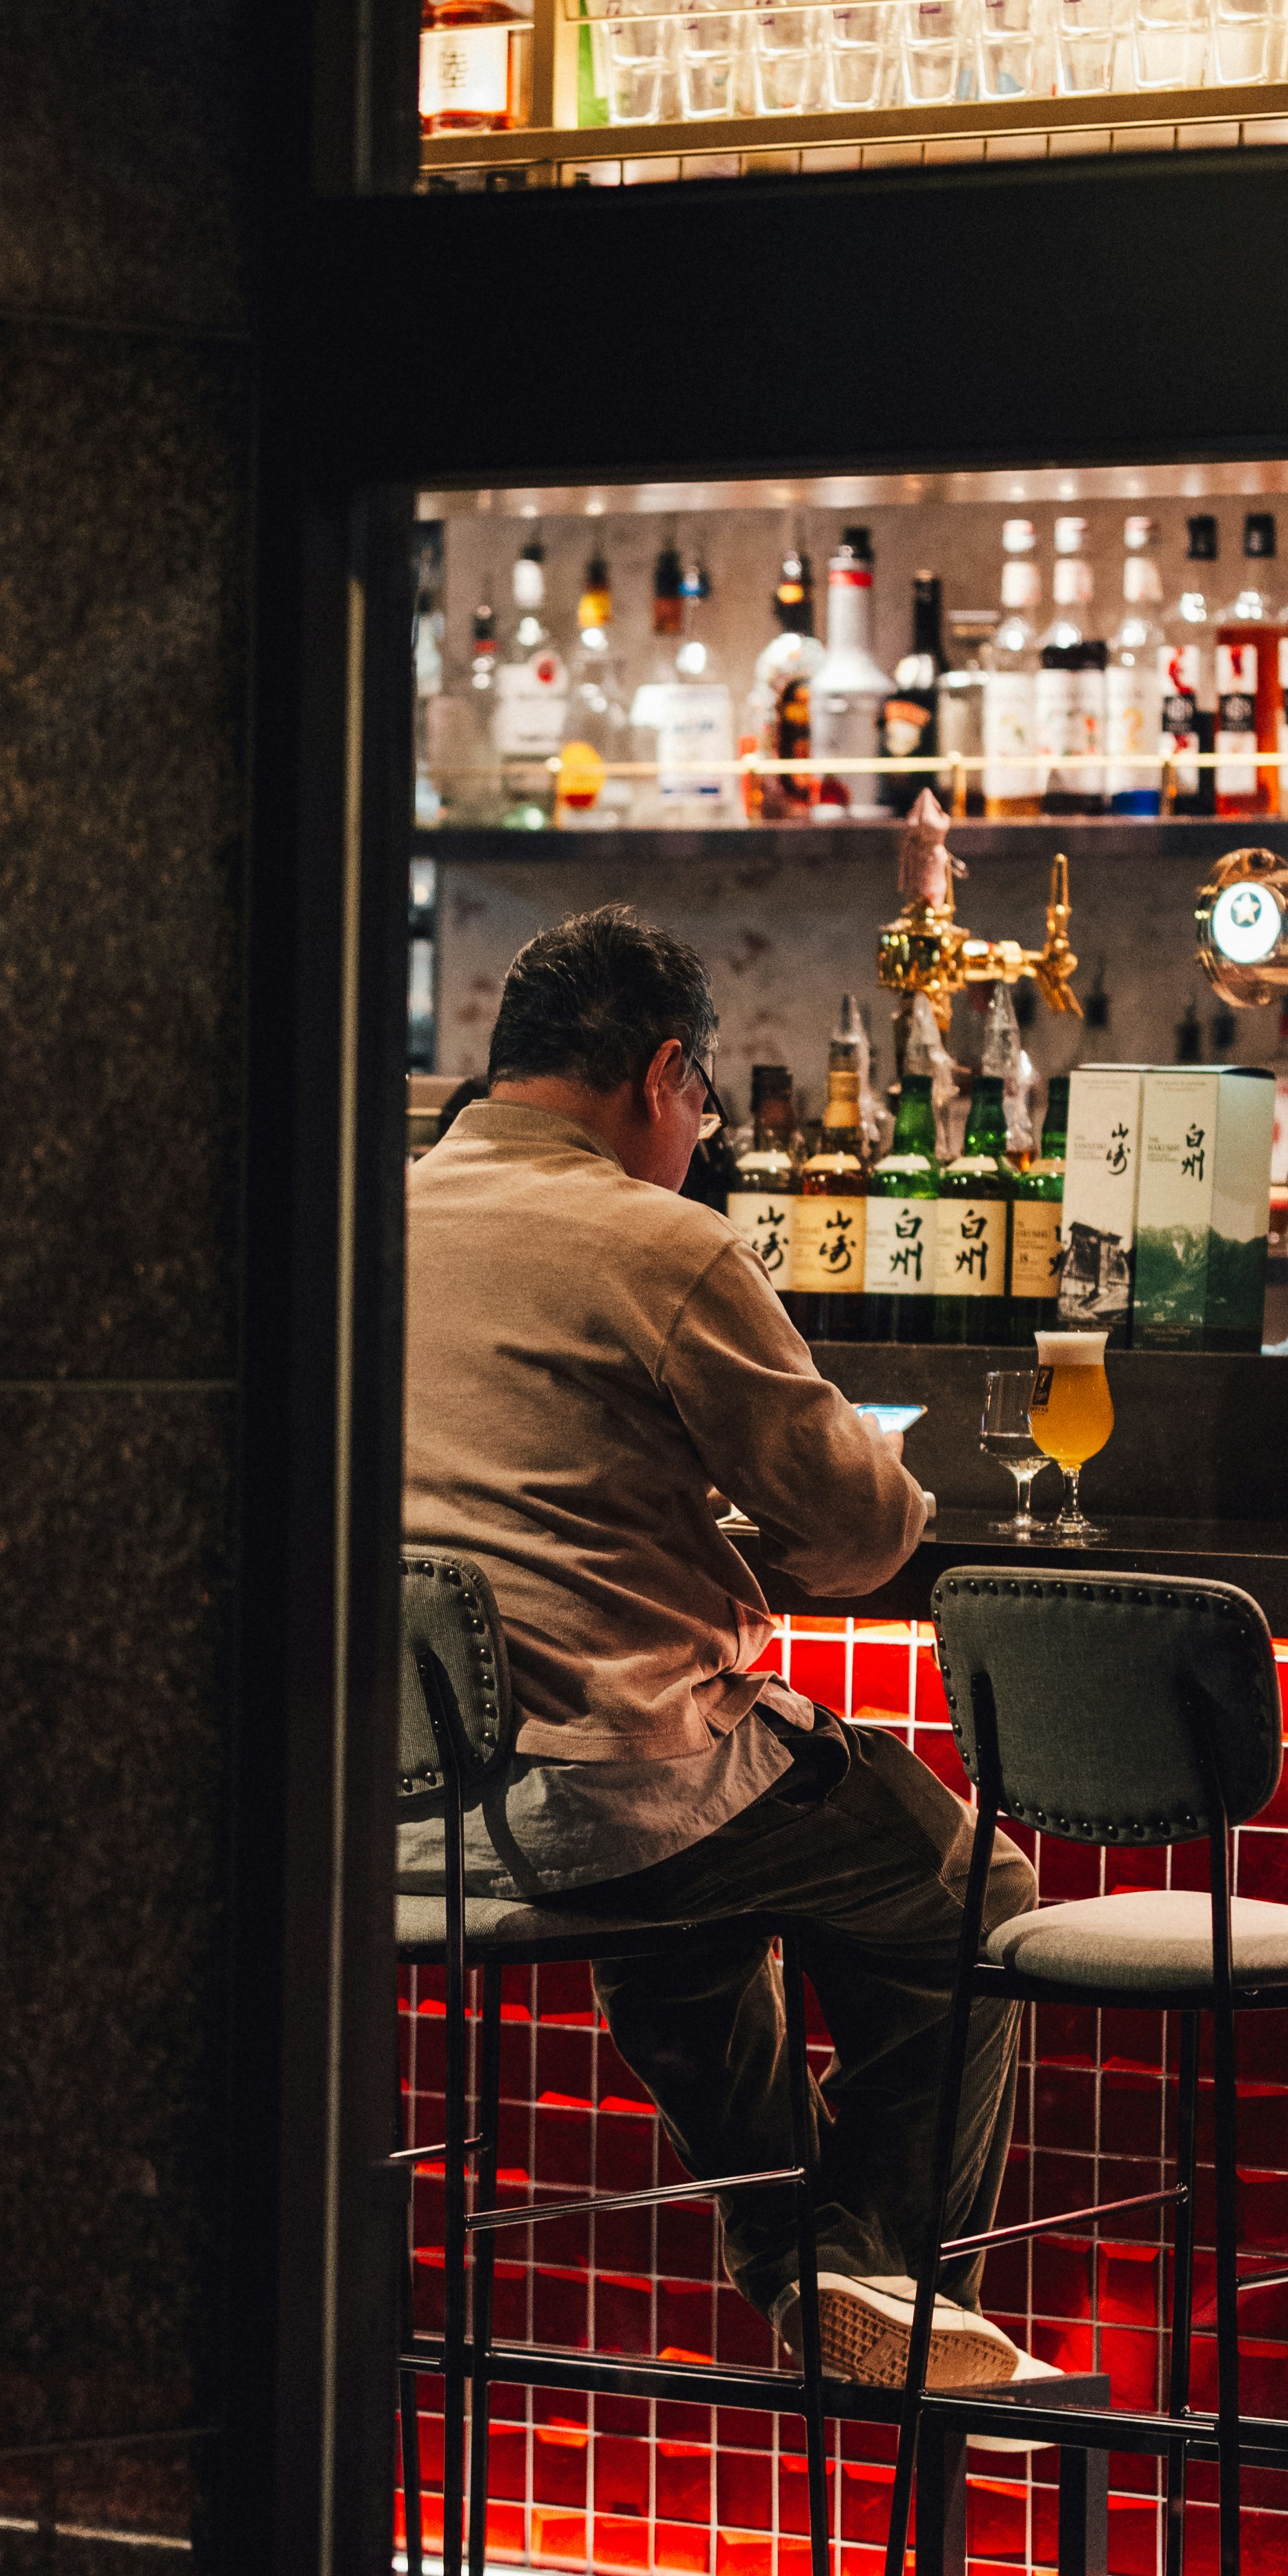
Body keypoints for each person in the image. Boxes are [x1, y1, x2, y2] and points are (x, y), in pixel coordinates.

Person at [402, 906, 1037, 2392]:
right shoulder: (661, 1241)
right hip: (616, 1792)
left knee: (686, 1918)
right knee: (963, 1885)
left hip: (412, 1803)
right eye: (696, 1104)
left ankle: (806, 2259)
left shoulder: (373, 1223)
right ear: (667, 1075)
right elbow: (864, 1531)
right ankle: (861, 2271)